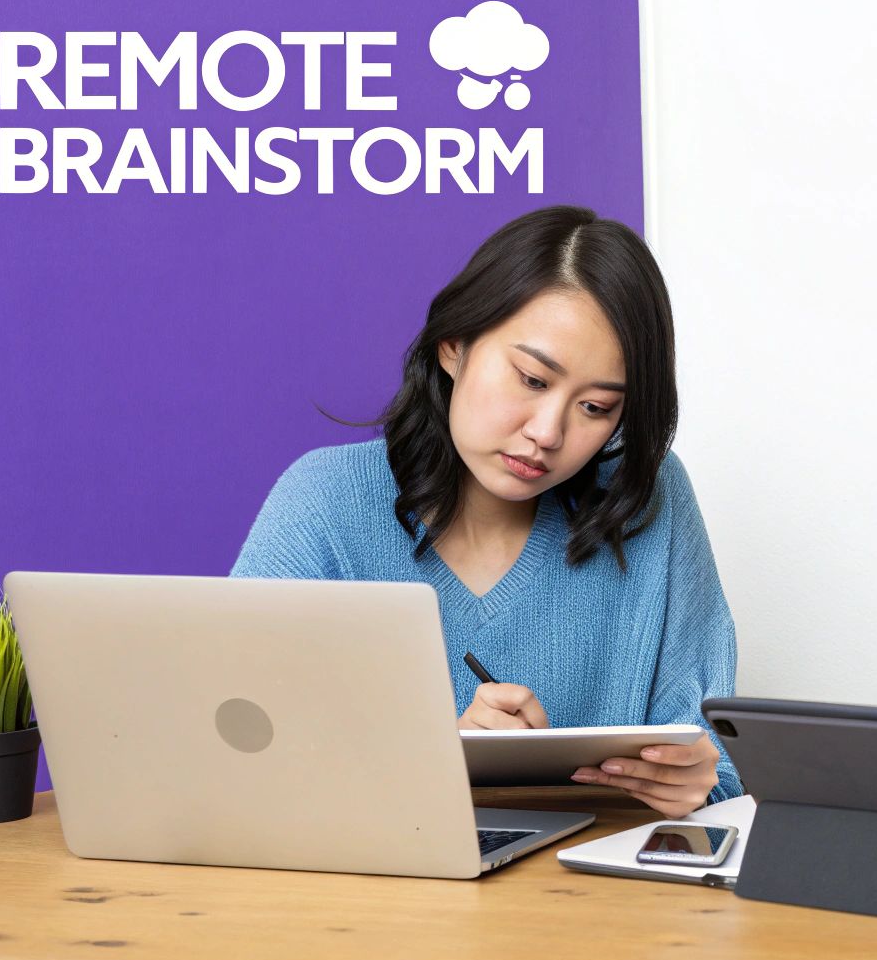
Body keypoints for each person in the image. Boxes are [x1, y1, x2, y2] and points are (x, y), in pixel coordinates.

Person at [232, 205, 740, 816]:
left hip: (593, 904)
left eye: (597, 408)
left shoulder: (645, 505)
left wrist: (700, 781)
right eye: (531, 380)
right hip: (365, 903)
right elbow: (235, 758)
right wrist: (439, 759)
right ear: (455, 346)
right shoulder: (323, 504)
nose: (548, 433)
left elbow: (718, 758)